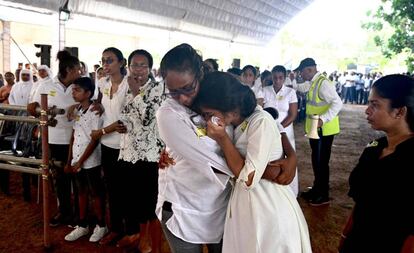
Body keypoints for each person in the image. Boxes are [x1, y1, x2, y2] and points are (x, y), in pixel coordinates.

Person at [156, 43, 295, 253]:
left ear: (199, 76)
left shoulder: (216, 91)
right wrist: (265, 172)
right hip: (185, 207)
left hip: (223, 206)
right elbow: (212, 164)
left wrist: (291, 155)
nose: (183, 98)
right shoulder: (169, 114)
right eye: (173, 92)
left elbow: (257, 113)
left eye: (187, 88)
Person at [194, 72, 311, 253]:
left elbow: (248, 178)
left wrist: (223, 139)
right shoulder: (238, 120)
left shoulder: (259, 121)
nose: (207, 120)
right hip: (246, 204)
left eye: (210, 114)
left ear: (231, 110)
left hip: (266, 206)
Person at [93, 49, 164, 252]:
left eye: (143, 65)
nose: (138, 69)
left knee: (149, 202)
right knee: (134, 199)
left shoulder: (156, 90)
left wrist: (135, 91)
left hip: (148, 155)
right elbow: (126, 116)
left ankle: (151, 243)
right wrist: (122, 124)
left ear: (150, 68)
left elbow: (148, 117)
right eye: (134, 65)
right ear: (129, 66)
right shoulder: (123, 87)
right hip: (128, 152)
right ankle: (139, 238)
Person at [339, 74, 414, 253]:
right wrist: (346, 234)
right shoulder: (374, 148)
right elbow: (361, 202)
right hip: (358, 241)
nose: (367, 111)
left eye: (375, 105)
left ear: (399, 112)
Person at [31, 50, 81, 226]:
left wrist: (75, 105)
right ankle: (64, 212)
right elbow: (33, 106)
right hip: (55, 138)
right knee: (60, 179)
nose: (80, 72)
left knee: (79, 179)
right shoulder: (46, 85)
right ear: (68, 69)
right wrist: (44, 113)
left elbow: (94, 101)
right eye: (77, 69)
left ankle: (81, 217)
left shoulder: (80, 84)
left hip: (78, 139)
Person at [63, 77, 107, 242]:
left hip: (91, 160)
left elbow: (94, 140)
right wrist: (70, 161)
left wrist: (81, 161)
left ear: (88, 93)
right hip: (76, 159)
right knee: (80, 192)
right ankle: (82, 225)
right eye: (73, 89)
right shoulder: (77, 110)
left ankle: (101, 225)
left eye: (77, 90)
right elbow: (74, 136)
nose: (73, 92)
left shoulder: (95, 111)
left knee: (96, 193)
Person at [295, 57, 343, 206]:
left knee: (322, 161)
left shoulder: (323, 84)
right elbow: (303, 88)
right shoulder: (313, 82)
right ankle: (317, 189)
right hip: (316, 127)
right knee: (316, 160)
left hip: (324, 128)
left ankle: (323, 194)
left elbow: (338, 103)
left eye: (301, 72)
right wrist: (291, 82)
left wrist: (324, 119)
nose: (300, 75)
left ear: (309, 70)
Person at [263, 65, 299, 196]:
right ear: (271, 77)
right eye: (275, 77)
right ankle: (272, 191)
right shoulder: (265, 90)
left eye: (280, 78)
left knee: (288, 157)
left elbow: (292, 114)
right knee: (272, 157)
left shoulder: (290, 92)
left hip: (285, 130)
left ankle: (290, 192)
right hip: (267, 129)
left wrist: (279, 128)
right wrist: (270, 128)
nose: (277, 80)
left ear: (285, 78)